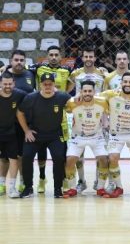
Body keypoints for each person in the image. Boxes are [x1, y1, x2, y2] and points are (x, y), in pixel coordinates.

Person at [17, 73, 71, 198]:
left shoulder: (62, 96)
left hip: (55, 135)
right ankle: (28, 188)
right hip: (35, 134)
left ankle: (58, 189)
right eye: (45, 84)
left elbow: (74, 103)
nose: (47, 86)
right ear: (40, 85)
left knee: (59, 157)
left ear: (54, 85)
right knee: (26, 156)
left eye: (50, 84)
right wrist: (26, 131)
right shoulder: (31, 98)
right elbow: (19, 113)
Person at [67, 48, 106, 193]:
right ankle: (81, 181)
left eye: (91, 56)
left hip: (98, 113)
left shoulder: (102, 73)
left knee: (100, 152)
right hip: (79, 113)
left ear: (95, 58)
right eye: (86, 56)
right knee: (78, 154)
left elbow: (107, 91)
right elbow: (67, 90)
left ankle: (98, 181)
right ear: (82, 58)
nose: (88, 58)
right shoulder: (76, 73)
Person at [35, 46, 72, 193]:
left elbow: (72, 83)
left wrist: (62, 94)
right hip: (42, 115)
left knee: (61, 152)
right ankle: (42, 179)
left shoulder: (66, 71)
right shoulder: (39, 69)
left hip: (60, 117)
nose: (54, 57)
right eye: (51, 55)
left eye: (56, 55)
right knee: (41, 150)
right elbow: (21, 66)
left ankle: (63, 179)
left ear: (60, 56)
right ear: (47, 56)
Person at [64, 80, 109, 198]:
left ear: (94, 92)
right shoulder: (73, 102)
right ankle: (72, 188)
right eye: (85, 91)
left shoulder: (102, 101)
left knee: (104, 159)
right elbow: (64, 108)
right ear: (81, 92)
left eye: (90, 91)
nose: (87, 93)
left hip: (96, 136)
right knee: (70, 160)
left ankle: (100, 188)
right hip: (78, 136)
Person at [0, 72, 26, 198]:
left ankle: (12, 188)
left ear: (14, 83)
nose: (7, 86)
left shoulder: (20, 95)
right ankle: (1, 184)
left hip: (11, 133)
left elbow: (35, 97)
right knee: (2, 159)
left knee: (13, 158)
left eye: (10, 84)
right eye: (5, 84)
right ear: (0, 84)